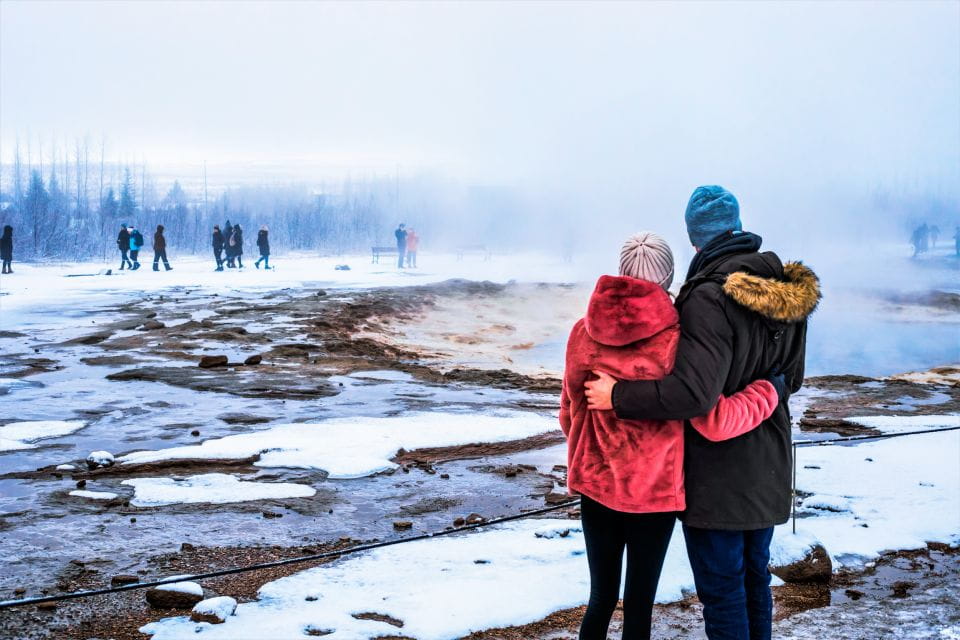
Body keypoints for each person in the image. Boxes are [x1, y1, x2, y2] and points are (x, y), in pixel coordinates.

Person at [584, 186, 820, 640]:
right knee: (755, 580)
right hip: (769, 465)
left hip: (718, 475)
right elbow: (790, 378)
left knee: (724, 591)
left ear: (695, 240)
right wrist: (763, 394)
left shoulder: (706, 298)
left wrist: (618, 396)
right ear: (736, 226)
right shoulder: (789, 291)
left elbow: (693, 394)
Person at [562, 231, 781, 640]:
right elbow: (700, 412)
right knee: (640, 604)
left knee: (601, 597)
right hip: (653, 494)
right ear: (668, 277)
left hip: (595, 482)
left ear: (622, 269)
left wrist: (588, 451)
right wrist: (770, 391)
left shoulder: (582, 331)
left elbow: (570, 409)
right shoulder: (675, 339)